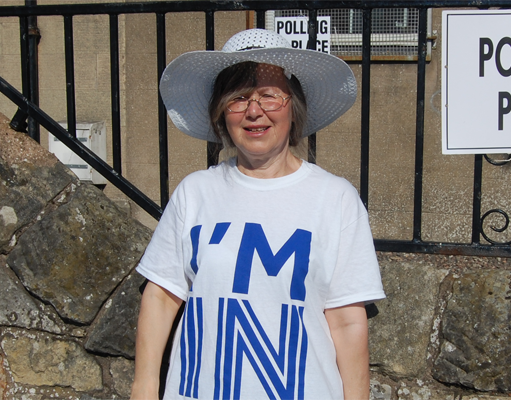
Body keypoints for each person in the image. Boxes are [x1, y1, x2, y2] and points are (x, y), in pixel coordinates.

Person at [131, 29, 385, 400]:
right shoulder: (195, 192)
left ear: (294, 107)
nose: (254, 111)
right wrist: (144, 388)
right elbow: (160, 296)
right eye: (238, 98)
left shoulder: (336, 199)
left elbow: (347, 321)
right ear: (222, 113)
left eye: (269, 95)